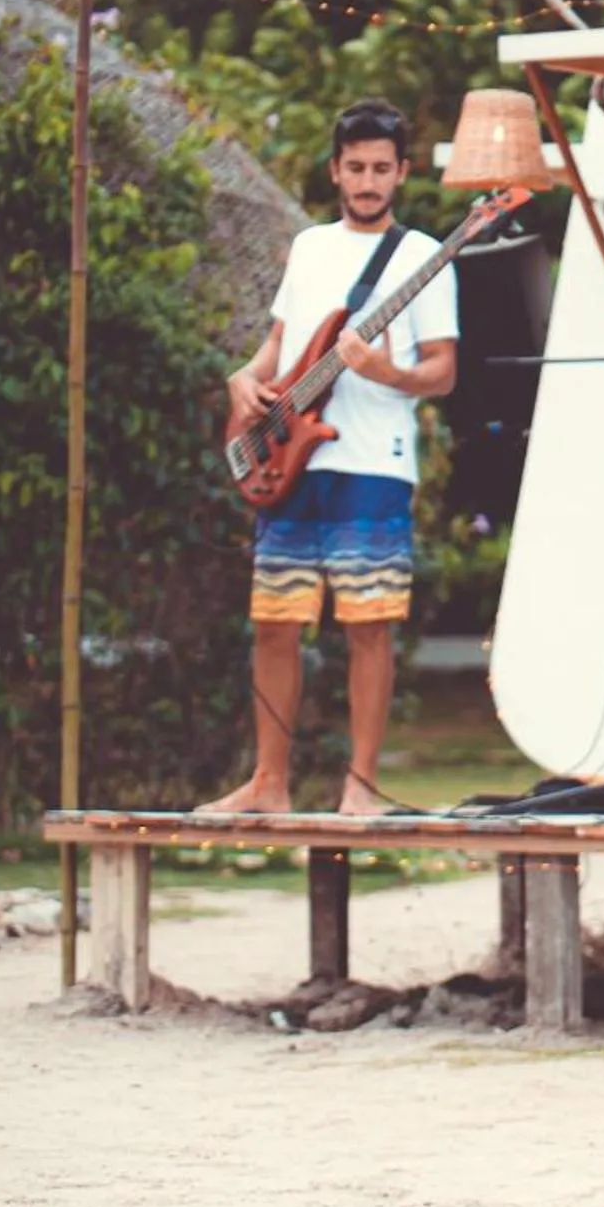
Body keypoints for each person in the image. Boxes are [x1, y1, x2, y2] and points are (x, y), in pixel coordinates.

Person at [202, 98, 458, 815]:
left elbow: (444, 370)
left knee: (368, 624)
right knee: (275, 620)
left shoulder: (424, 257)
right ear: (335, 171)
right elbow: (279, 348)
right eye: (356, 168)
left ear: (403, 172)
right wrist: (244, 382)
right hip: (292, 458)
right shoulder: (310, 247)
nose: (369, 180)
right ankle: (269, 782)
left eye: (382, 168)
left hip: (374, 463)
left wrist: (387, 373)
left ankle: (363, 786)